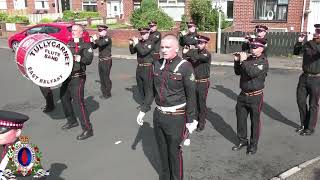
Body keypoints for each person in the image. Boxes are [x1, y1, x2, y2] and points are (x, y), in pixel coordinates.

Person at [136, 34, 198, 180]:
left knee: (174, 153)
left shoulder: (185, 66)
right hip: (159, 115)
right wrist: (144, 109)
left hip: (176, 117)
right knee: (162, 152)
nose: (164, 50)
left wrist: (191, 119)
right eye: (162, 47)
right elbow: (151, 89)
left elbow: (191, 95)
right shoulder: (156, 64)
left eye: (168, 47)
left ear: (176, 49)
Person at [232, 38, 269, 155]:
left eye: (255, 47)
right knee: (241, 120)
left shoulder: (263, 62)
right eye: (251, 47)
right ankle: (242, 141)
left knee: (255, 121)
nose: (252, 49)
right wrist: (237, 61)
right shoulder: (247, 59)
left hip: (255, 96)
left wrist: (242, 62)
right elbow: (238, 72)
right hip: (243, 94)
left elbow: (251, 73)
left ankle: (253, 145)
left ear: (262, 48)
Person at [60, 24, 94, 140]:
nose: (73, 32)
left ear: (81, 32)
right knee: (64, 98)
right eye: (72, 30)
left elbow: (89, 60)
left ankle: (88, 129)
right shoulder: (69, 44)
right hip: (66, 76)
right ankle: (72, 121)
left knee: (79, 102)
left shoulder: (86, 45)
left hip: (78, 77)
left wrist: (81, 59)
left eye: (75, 30)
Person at [293, 24, 320, 136]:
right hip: (304, 77)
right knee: (300, 101)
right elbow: (296, 52)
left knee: (313, 104)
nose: (316, 33)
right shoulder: (308, 44)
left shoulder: (315, 45)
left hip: (316, 78)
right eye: (316, 31)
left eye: (319, 32)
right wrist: (299, 42)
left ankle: (310, 128)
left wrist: (315, 42)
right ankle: (304, 124)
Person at [183, 35, 212, 131]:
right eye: (198, 42)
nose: (199, 45)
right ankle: (193, 121)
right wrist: (186, 52)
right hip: (194, 81)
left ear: (205, 44)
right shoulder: (194, 51)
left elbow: (197, 57)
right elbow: (185, 58)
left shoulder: (206, 54)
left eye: (201, 43)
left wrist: (189, 51)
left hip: (203, 82)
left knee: (201, 104)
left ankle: (202, 123)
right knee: (192, 103)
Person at [129, 27, 155, 105]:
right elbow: (132, 52)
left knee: (147, 87)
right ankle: (143, 102)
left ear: (148, 33)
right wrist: (131, 45)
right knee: (140, 85)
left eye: (144, 33)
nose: (142, 35)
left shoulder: (151, 42)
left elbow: (143, 52)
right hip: (140, 67)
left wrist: (136, 44)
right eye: (141, 33)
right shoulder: (140, 42)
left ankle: (147, 104)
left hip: (148, 67)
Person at [91, 24, 113, 99]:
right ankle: (104, 93)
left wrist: (95, 39)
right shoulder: (100, 38)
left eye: (100, 30)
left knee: (106, 77)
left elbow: (100, 44)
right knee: (102, 78)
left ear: (105, 31)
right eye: (98, 30)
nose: (99, 32)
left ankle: (108, 93)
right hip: (101, 60)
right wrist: (92, 41)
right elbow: (94, 47)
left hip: (107, 60)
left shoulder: (107, 38)